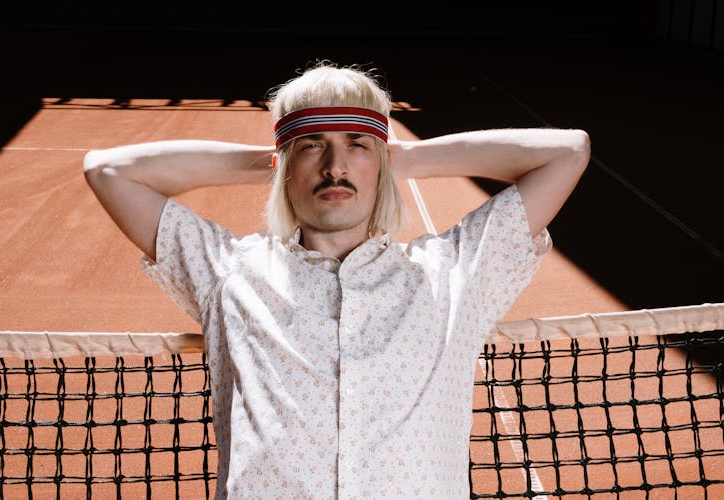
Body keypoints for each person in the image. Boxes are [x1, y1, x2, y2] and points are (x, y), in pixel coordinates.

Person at [83, 61, 589, 499]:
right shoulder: (228, 273)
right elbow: (107, 170)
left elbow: (566, 152)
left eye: (356, 145)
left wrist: (401, 160)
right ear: (285, 165)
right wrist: (277, 160)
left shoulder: (456, 274)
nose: (334, 167)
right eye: (312, 146)